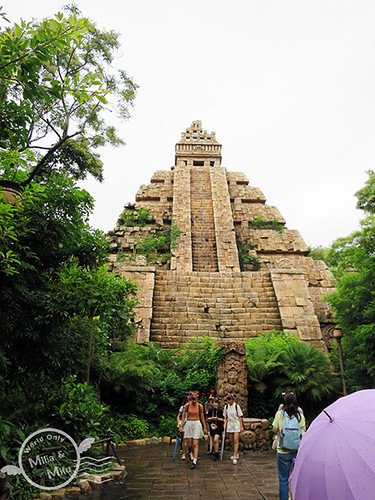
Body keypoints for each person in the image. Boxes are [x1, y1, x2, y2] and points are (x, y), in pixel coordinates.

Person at [273, 391, 306, 500]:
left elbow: (275, 429)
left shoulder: (280, 414)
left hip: (282, 451)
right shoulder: (300, 416)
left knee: (283, 479)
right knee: (297, 478)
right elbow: (303, 431)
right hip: (297, 451)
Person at [179, 391, 208, 469]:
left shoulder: (200, 406)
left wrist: (205, 427)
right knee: (190, 444)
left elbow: (202, 417)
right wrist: (181, 426)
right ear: (191, 399)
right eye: (193, 399)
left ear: (197, 399)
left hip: (196, 423)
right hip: (189, 423)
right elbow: (183, 416)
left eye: (195, 399)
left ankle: (194, 461)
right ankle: (191, 453)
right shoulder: (187, 406)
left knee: (195, 443)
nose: (194, 401)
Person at [223, 393, 244, 465]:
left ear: (233, 399)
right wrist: (225, 422)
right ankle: (236, 452)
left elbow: (240, 416)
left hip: (236, 423)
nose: (229, 401)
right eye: (227, 400)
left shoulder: (236, 406)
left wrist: (241, 426)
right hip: (230, 423)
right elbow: (225, 416)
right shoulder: (226, 407)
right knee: (230, 440)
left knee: (235, 439)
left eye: (230, 399)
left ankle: (235, 456)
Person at [177, 394, 190, 460]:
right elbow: (178, 416)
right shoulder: (183, 407)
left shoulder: (192, 407)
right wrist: (179, 423)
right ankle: (183, 451)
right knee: (184, 438)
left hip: (189, 423)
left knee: (190, 439)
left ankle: (190, 452)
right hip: (183, 423)